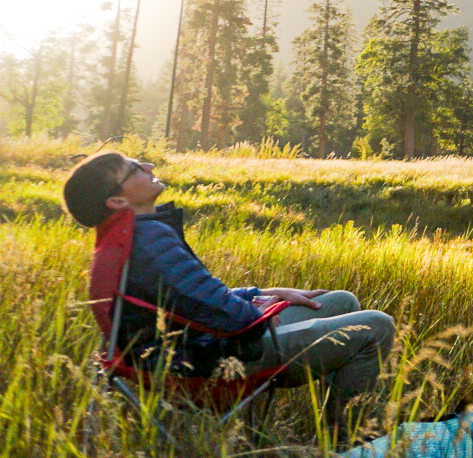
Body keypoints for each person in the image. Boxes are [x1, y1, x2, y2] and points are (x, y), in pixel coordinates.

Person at [63, 151, 396, 425]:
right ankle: (351, 443)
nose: (148, 166)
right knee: (377, 327)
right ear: (118, 200)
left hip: (195, 347)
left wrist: (259, 295)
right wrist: (256, 315)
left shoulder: (126, 237)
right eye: (135, 167)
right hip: (213, 362)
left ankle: (336, 424)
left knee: (341, 301)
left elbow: (192, 300)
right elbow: (224, 315)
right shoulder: (147, 241)